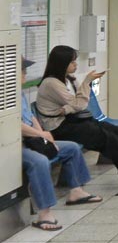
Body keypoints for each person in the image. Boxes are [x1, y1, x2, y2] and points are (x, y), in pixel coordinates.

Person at [36, 46, 118, 187]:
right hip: (58, 128)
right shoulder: (51, 83)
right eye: (72, 62)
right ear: (61, 64)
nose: (75, 64)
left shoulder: (68, 79)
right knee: (107, 137)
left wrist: (67, 108)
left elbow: (75, 104)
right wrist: (86, 82)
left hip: (71, 121)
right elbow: (79, 104)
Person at [21, 58, 102, 231]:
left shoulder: (17, 93)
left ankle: (76, 191)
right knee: (39, 162)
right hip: (17, 146)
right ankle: (44, 213)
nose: (25, 74)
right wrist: (41, 134)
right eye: (22, 71)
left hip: (33, 139)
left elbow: (30, 117)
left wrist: (44, 137)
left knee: (71, 148)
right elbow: (13, 125)